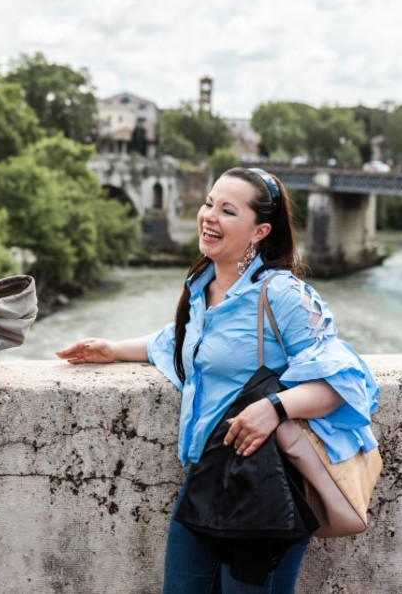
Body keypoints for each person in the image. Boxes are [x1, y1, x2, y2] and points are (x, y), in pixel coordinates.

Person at [57, 167, 379, 594]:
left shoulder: (281, 294)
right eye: (208, 203)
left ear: (259, 231)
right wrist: (114, 349)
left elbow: (347, 381)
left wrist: (274, 408)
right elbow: (186, 344)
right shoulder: (201, 287)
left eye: (227, 210)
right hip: (204, 476)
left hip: (265, 485)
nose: (209, 216)